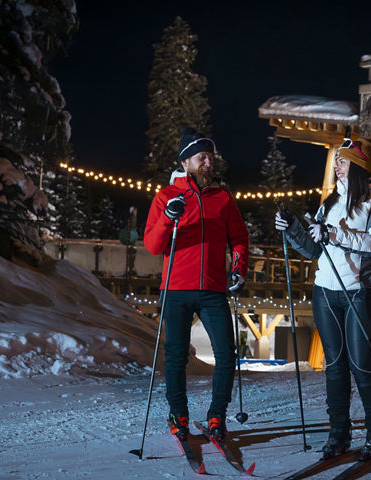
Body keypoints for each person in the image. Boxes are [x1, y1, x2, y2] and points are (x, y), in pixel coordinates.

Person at [274, 136, 371, 461]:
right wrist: (294, 230)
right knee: (335, 366)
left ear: (356, 166)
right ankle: (338, 434)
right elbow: (316, 249)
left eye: (341, 161)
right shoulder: (329, 203)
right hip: (326, 290)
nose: (336, 167)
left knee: (362, 365)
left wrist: (333, 234)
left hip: (362, 292)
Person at [143, 127, 249, 442]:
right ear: (186, 161)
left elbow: (239, 238)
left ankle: (217, 414)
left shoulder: (222, 198)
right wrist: (168, 218)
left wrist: (238, 269)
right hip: (175, 289)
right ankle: (179, 415)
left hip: (214, 289)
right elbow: (152, 245)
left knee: (227, 354)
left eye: (210, 157)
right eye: (202, 157)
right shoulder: (166, 196)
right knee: (176, 356)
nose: (208, 163)